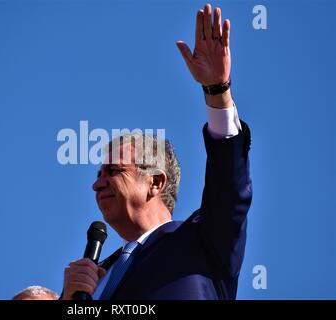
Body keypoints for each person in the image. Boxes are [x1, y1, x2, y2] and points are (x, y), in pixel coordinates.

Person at [61, 3, 252, 300]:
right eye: (99, 174)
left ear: (156, 182)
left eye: (114, 170)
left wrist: (217, 90)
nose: (97, 183)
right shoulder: (92, 278)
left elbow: (229, 185)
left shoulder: (203, 240)